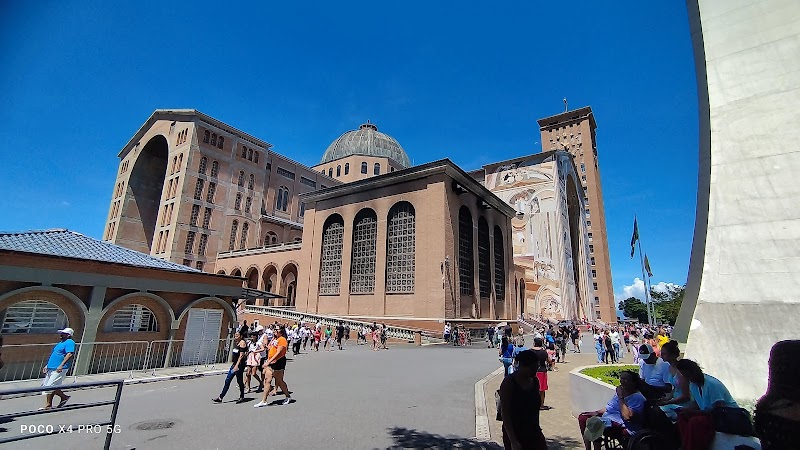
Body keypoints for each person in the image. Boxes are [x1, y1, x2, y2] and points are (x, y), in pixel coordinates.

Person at [675, 359, 741, 450]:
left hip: (727, 416)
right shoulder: (693, 385)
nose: (688, 379)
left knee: (695, 422)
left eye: (688, 376)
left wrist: (695, 413)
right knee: (682, 417)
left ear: (694, 372)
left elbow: (718, 410)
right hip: (709, 414)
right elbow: (697, 403)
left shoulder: (712, 384)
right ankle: (686, 445)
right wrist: (686, 410)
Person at [578, 371, 647, 450]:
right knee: (583, 417)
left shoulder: (637, 397)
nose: (622, 381)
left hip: (623, 424)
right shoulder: (621, 392)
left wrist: (621, 397)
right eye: (621, 378)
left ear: (633, 382)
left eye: (625, 379)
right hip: (609, 418)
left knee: (595, 423)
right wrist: (596, 412)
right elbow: (610, 407)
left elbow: (627, 417)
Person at [498, 350, 547, 450]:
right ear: (523, 366)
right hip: (515, 433)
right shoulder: (509, 383)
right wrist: (513, 441)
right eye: (533, 368)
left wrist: (538, 431)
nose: (535, 371)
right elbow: (505, 414)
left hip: (533, 431)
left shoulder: (535, 382)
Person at [254, 326, 292, 407]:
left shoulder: (282, 339)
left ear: (281, 331)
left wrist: (269, 362)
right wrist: (266, 347)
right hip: (271, 361)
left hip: (278, 361)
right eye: (274, 329)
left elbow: (278, 352)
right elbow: (270, 348)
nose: (274, 331)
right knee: (267, 380)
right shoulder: (274, 339)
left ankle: (288, 396)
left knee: (279, 381)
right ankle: (264, 400)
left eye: (276, 329)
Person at [655, 340, 692, 421]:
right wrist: (666, 398)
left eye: (664, 354)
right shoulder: (669, 368)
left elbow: (686, 396)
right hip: (674, 401)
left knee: (657, 413)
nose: (661, 356)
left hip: (683, 405)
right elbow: (675, 388)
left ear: (672, 355)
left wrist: (668, 402)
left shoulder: (681, 371)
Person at [41, 327, 76, 410]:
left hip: (59, 368)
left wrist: (61, 365)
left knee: (50, 386)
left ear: (68, 335)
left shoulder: (70, 342)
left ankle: (48, 405)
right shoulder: (60, 343)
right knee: (48, 386)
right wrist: (47, 365)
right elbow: (55, 355)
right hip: (51, 367)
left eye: (63, 334)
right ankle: (63, 397)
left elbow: (69, 354)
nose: (61, 335)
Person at [212, 331, 248, 404]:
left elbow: (241, 356)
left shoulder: (242, 343)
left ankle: (242, 396)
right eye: (235, 335)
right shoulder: (236, 342)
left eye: (237, 335)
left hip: (239, 365)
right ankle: (220, 397)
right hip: (234, 365)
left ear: (241, 336)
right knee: (228, 380)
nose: (236, 336)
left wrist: (237, 366)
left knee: (239, 381)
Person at [530, 337, 552, 409]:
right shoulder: (543, 352)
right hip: (542, 371)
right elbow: (549, 361)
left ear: (534, 343)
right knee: (541, 390)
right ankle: (541, 405)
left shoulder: (530, 351)